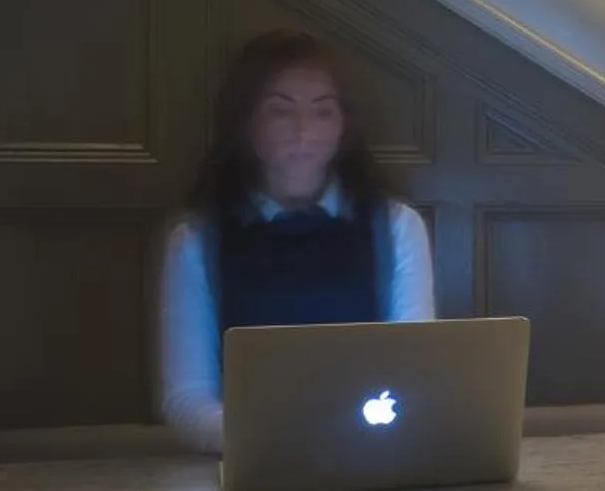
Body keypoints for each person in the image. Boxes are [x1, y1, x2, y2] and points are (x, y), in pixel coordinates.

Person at [160, 29, 435, 452]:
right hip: (250, 463)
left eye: (323, 112)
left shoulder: (397, 227)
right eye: (280, 112)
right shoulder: (198, 240)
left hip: (374, 460)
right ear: (245, 121)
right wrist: (276, 441)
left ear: (344, 125)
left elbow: (415, 371)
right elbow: (187, 399)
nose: (303, 131)